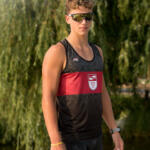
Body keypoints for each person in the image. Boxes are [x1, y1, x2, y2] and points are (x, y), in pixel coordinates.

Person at [42, 0, 124, 150]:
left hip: (95, 137)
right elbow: (48, 97)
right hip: (69, 139)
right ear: (67, 19)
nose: (84, 22)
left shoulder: (98, 52)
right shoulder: (58, 52)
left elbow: (102, 93)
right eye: (78, 17)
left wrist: (114, 129)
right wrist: (55, 141)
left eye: (88, 17)